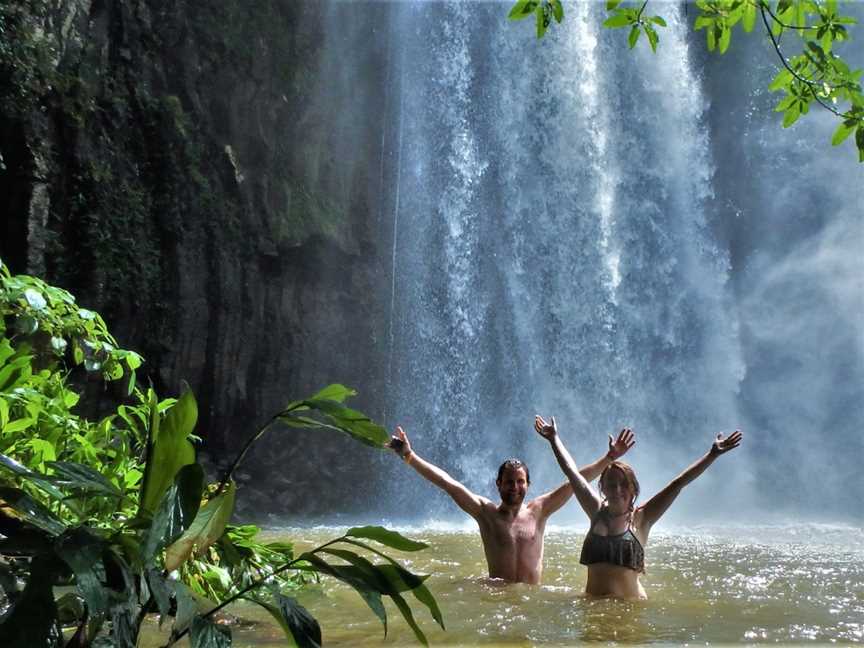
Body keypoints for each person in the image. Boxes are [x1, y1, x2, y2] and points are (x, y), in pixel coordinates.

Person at [386, 424, 635, 584]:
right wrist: (409, 456)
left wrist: (609, 458)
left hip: (531, 601)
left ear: (528, 484)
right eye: (508, 482)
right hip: (498, 601)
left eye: (519, 482)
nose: (514, 487)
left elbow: (576, 480)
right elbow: (448, 483)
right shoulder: (486, 513)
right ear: (498, 484)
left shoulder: (540, 510)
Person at [534, 415, 743, 599]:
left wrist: (712, 455)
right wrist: (554, 439)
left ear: (633, 489)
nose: (617, 490)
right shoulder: (596, 511)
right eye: (611, 485)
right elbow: (572, 473)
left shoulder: (642, 518)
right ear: (603, 488)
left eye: (624, 485)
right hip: (594, 609)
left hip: (628, 611)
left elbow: (679, 483)